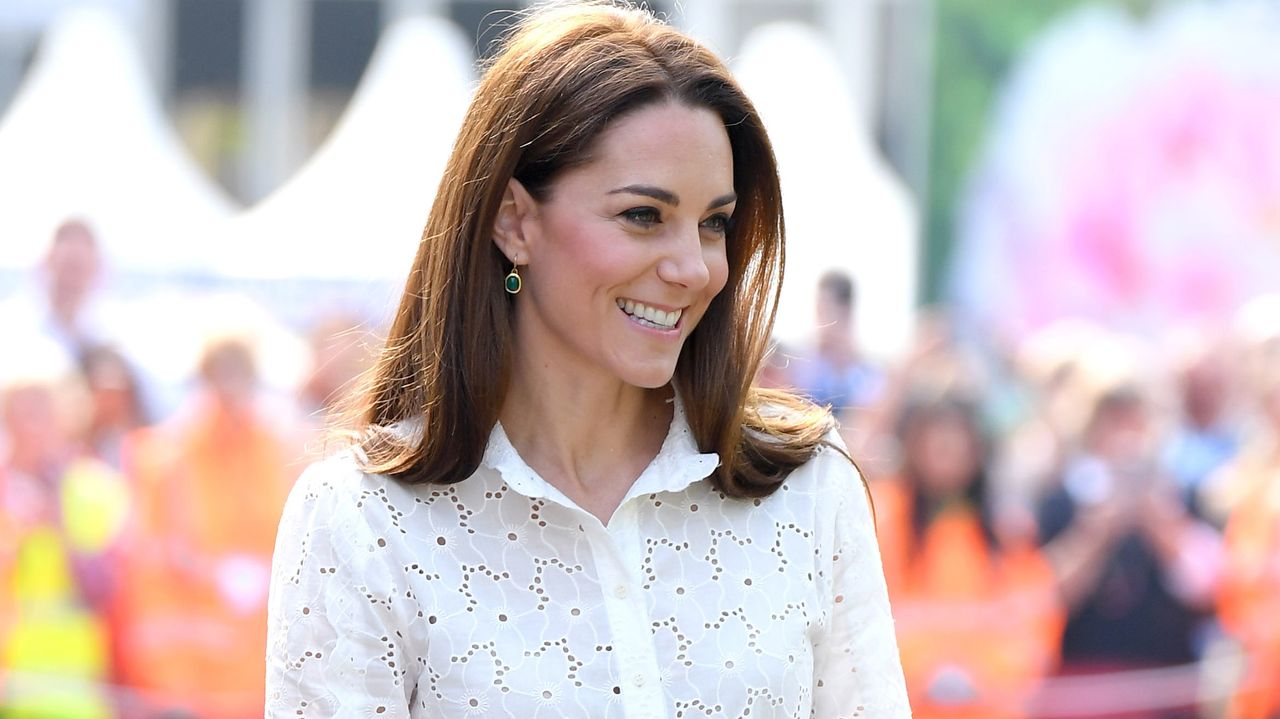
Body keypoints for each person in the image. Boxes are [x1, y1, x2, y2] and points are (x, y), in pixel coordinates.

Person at [265, 4, 910, 717]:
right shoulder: (362, 523)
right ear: (515, 221)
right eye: (644, 215)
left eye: (714, 223)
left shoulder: (810, 490)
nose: (693, 268)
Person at [872, 395, 1063, 719]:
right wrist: (917, 670)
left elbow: (1035, 618)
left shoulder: (1007, 529)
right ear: (913, 446)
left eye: (959, 444)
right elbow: (855, 616)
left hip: (986, 708)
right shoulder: (878, 516)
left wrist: (988, 675)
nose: (949, 454)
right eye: (938, 444)